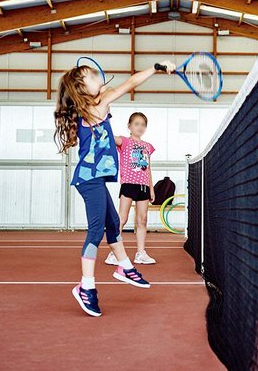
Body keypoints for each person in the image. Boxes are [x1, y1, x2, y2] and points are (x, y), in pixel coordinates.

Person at [53, 60, 174, 316]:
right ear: (81, 87)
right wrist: (155, 69)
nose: (98, 78)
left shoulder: (91, 108)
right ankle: (85, 287)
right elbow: (130, 83)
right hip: (88, 179)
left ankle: (125, 267)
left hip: (94, 179)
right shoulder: (97, 104)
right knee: (97, 230)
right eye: (91, 76)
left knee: (112, 223)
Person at [104, 112, 157, 265]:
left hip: (143, 186)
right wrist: (104, 119)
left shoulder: (148, 146)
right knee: (122, 218)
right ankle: (114, 253)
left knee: (142, 220)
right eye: (137, 124)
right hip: (128, 184)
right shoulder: (125, 142)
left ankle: (140, 253)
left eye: (143, 124)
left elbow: (148, 168)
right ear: (129, 126)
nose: (140, 127)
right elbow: (110, 137)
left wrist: (151, 188)